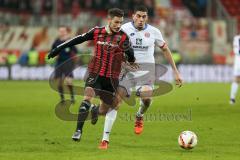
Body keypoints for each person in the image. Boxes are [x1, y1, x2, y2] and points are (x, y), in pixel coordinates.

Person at [48, 8, 136, 148]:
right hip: (95, 74)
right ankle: (78, 130)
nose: (118, 25)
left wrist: (130, 52)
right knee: (87, 97)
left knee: (110, 107)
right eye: (116, 22)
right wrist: (58, 48)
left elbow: (131, 57)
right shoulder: (97, 31)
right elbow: (77, 39)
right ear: (109, 20)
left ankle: (95, 111)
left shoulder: (123, 37)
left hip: (112, 78)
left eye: (120, 22)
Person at [99, 5, 183, 146]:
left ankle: (139, 115)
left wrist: (175, 71)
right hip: (126, 72)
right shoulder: (123, 29)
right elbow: (113, 50)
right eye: (138, 16)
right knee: (116, 103)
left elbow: (165, 49)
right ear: (133, 16)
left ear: (147, 17)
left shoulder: (154, 32)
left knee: (147, 99)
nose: (141, 19)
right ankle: (105, 139)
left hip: (146, 73)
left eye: (144, 16)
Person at [51, 26, 77, 103]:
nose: (62, 32)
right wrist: (55, 55)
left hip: (67, 62)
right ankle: (62, 98)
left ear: (66, 32)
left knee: (69, 81)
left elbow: (75, 51)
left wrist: (73, 59)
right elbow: (52, 51)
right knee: (59, 82)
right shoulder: (56, 42)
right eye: (60, 31)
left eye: (63, 31)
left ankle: (72, 97)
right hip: (59, 63)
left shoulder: (69, 41)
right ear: (58, 32)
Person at [230, 33, 240, 104]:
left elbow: (235, 50)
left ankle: (232, 98)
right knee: (237, 78)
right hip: (238, 59)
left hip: (238, 59)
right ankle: (232, 98)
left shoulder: (236, 38)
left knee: (236, 78)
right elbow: (236, 50)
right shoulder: (237, 38)